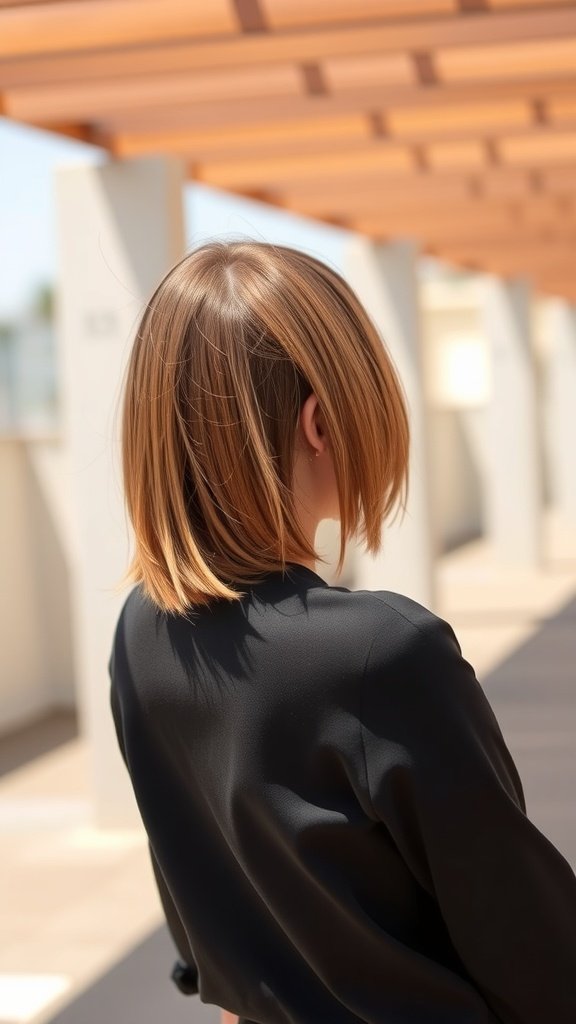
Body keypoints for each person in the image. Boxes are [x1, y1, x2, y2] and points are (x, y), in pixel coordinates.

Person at [108, 240, 576, 1024]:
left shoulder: (139, 632)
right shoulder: (381, 652)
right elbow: (536, 953)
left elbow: (207, 929)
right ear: (320, 422)